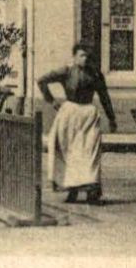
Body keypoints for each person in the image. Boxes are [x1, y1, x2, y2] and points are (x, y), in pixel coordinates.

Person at [38, 42, 117, 204]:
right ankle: (71, 190)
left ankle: (91, 191)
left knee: (90, 152)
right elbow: (42, 81)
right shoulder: (66, 71)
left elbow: (104, 97)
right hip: (69, 114)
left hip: (88, 115)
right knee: (68, 152)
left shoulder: (96, 74)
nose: (85, 59)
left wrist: (111, 118)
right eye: (81, 55)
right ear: (74, 57)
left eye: (88, 56)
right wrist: (51, 101)